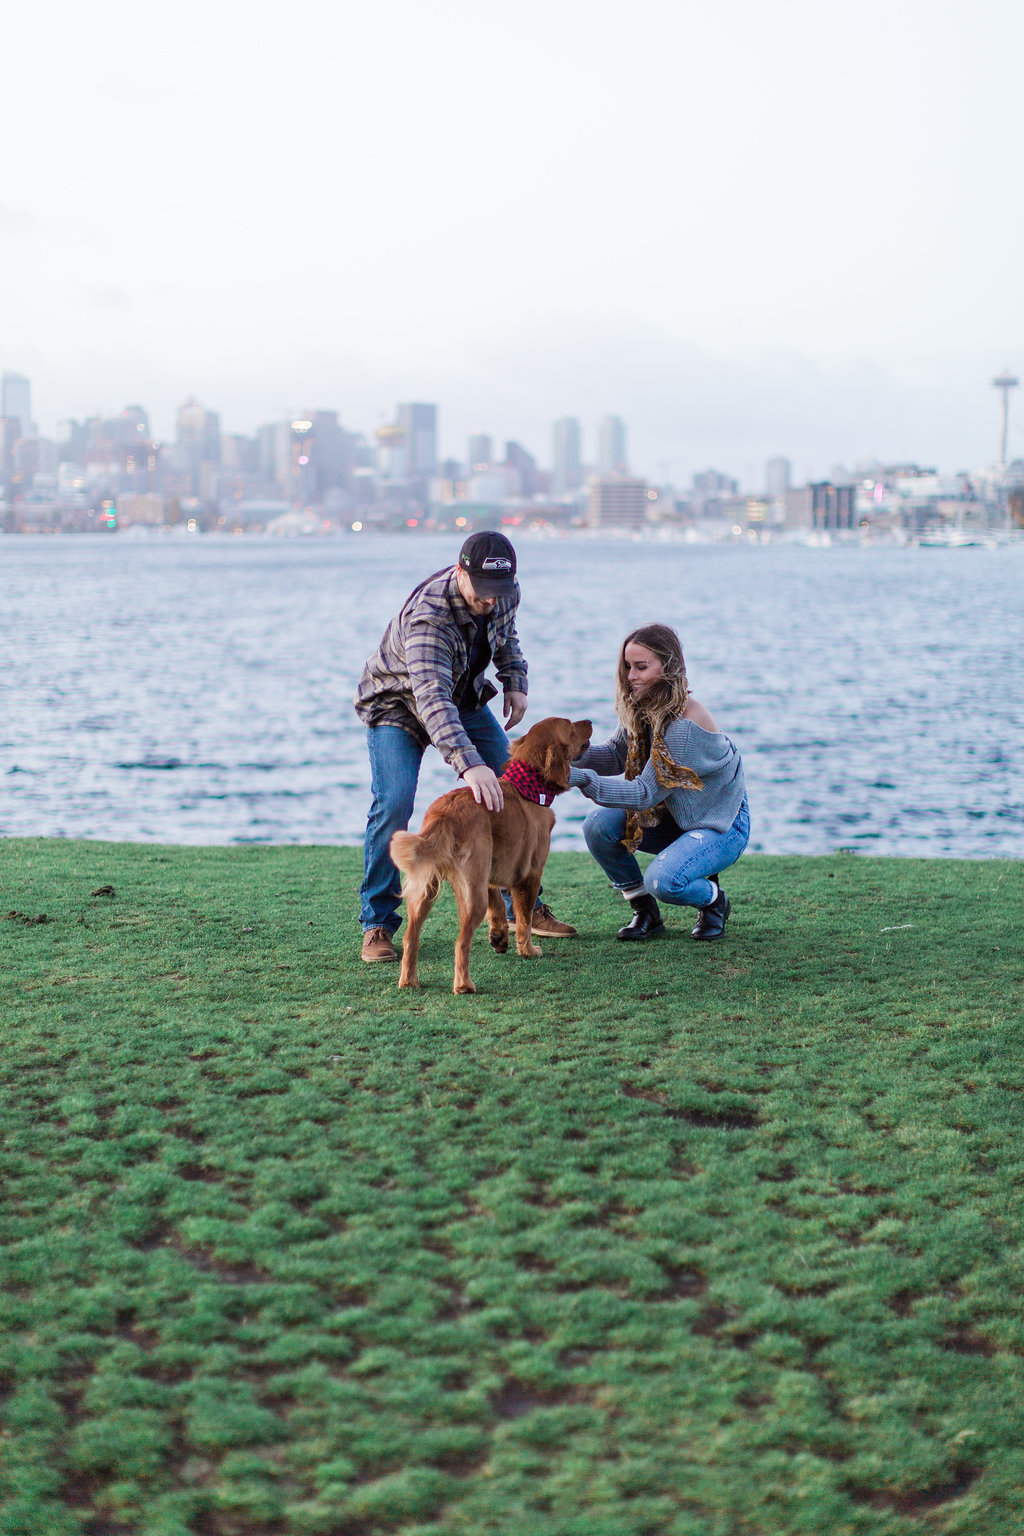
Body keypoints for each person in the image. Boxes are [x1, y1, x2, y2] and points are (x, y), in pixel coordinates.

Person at [354, 530, 576, 962]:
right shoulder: (429, 618)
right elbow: (431, 698)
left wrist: (515, 681)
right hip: (400, 705)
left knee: (515, 784)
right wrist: (468, 765)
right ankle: (377, 923)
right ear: (460, 572)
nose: (492, 600)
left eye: (500, 591)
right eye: (484, 591)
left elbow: (507, 638)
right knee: (394, 801)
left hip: (462, 696)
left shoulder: (504, 592)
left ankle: (521, 909)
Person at [568, 623, 749, 942]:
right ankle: (645, 913)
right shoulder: (645, 708)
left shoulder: (682, 727)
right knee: (598, 826)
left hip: (720, 823)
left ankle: (713, 901)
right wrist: (562, 755)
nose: (631, 676)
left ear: (669, 667)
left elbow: (644, 793)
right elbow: (614, 754)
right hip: (675, 816)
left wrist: (578, 778)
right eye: (627, 667)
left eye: (641, 667)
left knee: (664, 881)